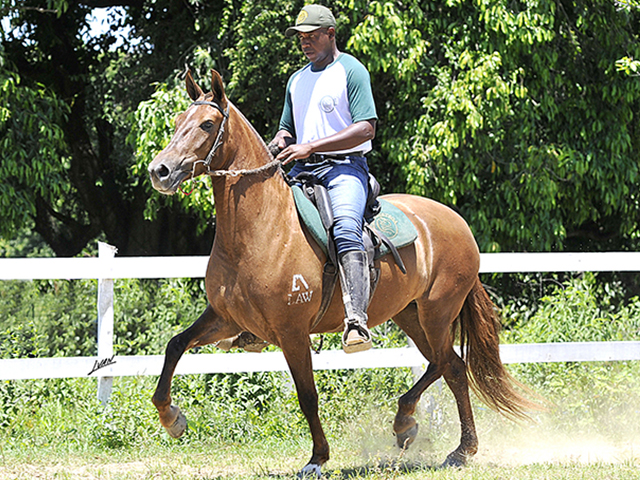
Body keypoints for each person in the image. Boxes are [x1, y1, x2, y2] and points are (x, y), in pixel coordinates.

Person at [269, 4, 378, 353]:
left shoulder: (351, 71)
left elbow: (365, 128)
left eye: (312, 36)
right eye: (301, 37)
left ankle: (356, 320)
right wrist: (277, 143)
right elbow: (287, 128)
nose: (305, 42)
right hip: (302, 170)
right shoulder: (296, 79)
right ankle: (259, 319)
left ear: (331, 34)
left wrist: (311, 145)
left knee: (346, 228)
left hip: (344, 168)